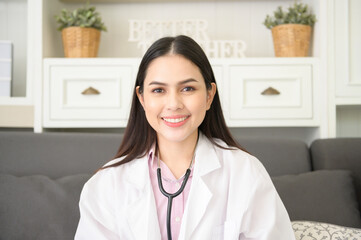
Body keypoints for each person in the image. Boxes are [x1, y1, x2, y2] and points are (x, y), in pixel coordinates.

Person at [75, 35, 295, 240]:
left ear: (209, 96)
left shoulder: (245, 173)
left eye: (188, 88)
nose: (174, 104)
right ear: (142, 99)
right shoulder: (105, 185)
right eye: (158, 90)